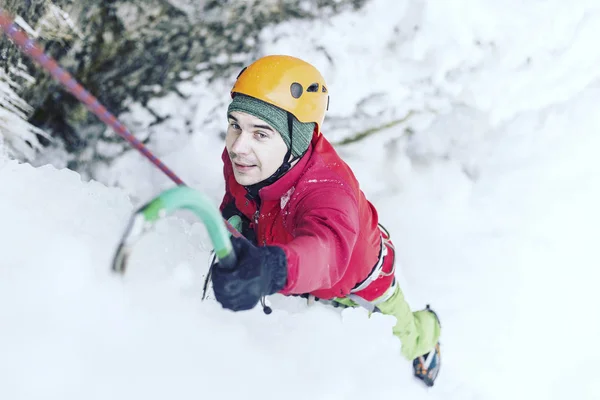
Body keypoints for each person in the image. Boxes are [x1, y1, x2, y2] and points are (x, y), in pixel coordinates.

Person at [208, 54, 442, 387]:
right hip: (293, 261)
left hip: (362, 284)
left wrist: (271, 268)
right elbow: (238, 200)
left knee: (402, 342)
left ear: (297, 140)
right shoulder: (248, 161)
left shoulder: (328, 191)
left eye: (261, 134)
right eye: (235, 125)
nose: (238, 146)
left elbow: (326, 252)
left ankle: (430, 333)